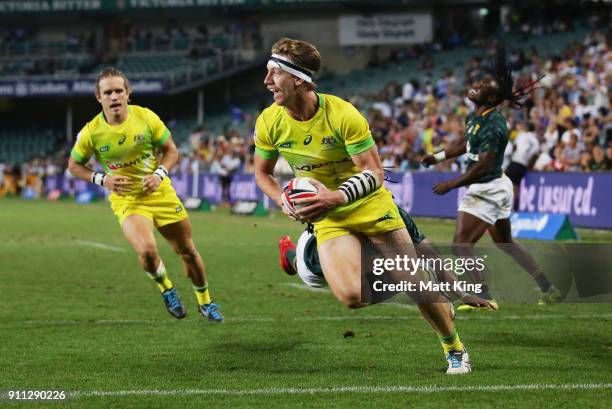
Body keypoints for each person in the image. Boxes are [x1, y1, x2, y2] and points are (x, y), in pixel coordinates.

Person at [254, 38, 472, 374]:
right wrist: (280, 199)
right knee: (352, 297)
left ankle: (454, 349)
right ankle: (420, 283)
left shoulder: (342, 114)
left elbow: (374, 171)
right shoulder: (269, 122)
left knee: (414, 283)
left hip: (369, 204)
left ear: (298, 78)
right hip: (329, 215)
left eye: (274, 73)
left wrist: (337, 196)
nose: (267, 81)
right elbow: (263, 174)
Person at [68, 68, 224, 322]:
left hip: (160, 193)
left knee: (188, 251)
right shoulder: (91, 132)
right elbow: (74, 165)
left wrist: (160, 174)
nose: (114, 96)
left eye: (119, 90)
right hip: (127, 200)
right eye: (108, 92)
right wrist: (103, 179)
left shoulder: (146, 117)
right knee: (148, 251)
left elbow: (171, 151)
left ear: (128, 93)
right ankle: (167, 289)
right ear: (99, 97)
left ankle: (206, 302)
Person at [422, 48, 561, 310]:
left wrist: (452, 184)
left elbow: (484, 165)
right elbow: (465, 143)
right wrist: (438, 156)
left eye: (483, 85)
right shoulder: (476, 116)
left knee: (461, 244)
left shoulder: (495, 124)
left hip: (488, 187)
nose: (476, 85)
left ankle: (484, 296)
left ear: (493, 97)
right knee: (505, 243)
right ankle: (548, 287)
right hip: (495, 185)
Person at [278, 205, 496, 310]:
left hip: (370, 266)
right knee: (301, 265)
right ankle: (288, 252)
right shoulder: (338, 233)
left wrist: (462, 294)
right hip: (315, 260)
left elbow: (431, 255)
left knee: (407, 275)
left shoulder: (394, 215)